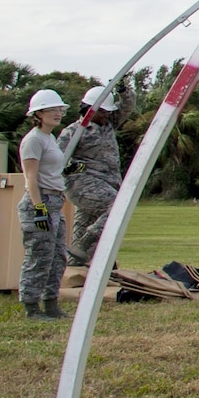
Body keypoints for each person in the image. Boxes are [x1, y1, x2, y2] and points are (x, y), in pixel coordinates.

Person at [62, 83, 135, 269]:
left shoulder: (109, 124)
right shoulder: (73, 131)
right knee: (117, 207)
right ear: (89, 110)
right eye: (102, 112)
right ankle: (86, 242)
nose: (106, 115)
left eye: (108, 112)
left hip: (106, 184)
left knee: (84, 224)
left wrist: (123, 90)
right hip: (82, 184)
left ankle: (76, 269)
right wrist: (70, 167)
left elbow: (127, 106)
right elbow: (56, 159)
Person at [17, 89, 70, 320]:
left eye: (60, 109)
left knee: (57, 256)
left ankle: (51, 303)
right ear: (38, 114)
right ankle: (31, 307)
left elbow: (54, 170)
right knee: (39, 256)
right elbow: (30, 178)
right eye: (52, 109)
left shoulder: (49, 138)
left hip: (55, 202)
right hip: (40, 203)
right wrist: (39, 210)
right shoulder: (33, 140)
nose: (58, 113)